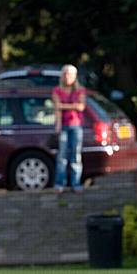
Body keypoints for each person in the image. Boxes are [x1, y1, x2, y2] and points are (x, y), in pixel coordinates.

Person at [52, 64, 86, 193]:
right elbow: (57, 107)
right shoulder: (57, 90)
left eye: (70, 74)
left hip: (76, 125)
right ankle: (60, 183)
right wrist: (58, 123)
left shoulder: (80, 90)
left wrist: (63, 106)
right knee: (62, 155)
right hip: (64, 126)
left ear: (75, 76)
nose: (68, 77)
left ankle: (76, 183)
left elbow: (81, 107)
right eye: (65, 74)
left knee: (75, 155)